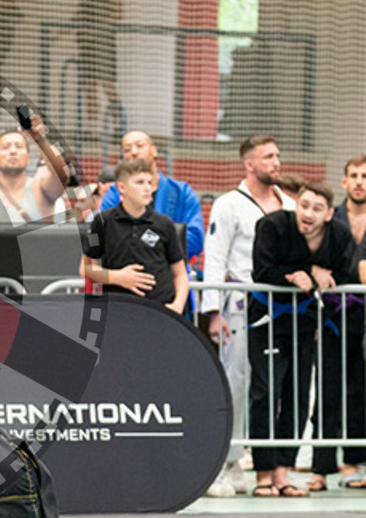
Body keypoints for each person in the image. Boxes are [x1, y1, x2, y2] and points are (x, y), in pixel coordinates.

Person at [201, 135, 294, 498]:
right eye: (268, 156)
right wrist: (213, 311)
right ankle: (221, 461)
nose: (276, 162)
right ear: (249, 164)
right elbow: (215, 259)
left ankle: (263, 464)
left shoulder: (288, 204)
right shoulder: (229, 205)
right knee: (235, 380)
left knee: (272, 388)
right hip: (239, 305)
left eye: (278, 155)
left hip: (282, 310)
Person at [249, 182, 355, 497]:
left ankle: (283, 473)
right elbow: (262, 270)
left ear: (329, 215)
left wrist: (324, 277)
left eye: (316, 209)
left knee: (296, 395)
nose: (307, 214)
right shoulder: (272, 226)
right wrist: (302, 270)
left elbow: (345, 275)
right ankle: (263, 473)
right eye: (304, 205)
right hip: (267, 320)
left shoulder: (339, 236)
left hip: (306, 322)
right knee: (266, 392)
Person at [309, 155, 366, 491]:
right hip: (331, 316)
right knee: (328, 389)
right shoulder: (332, 219)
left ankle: (353, 463)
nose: (360, 181)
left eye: (365, 176)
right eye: (354, 176)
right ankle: (321, 467)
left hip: (363, 318)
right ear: (344, 182)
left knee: (359, 391)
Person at [0, 120, 74, 276]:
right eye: (6, 147)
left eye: (19, 147)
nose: (12, 151)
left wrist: (40, 139)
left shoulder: (42, 190)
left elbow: (62, 174)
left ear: (28, 158)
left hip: (36, 283)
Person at [81, 159, 189, 315]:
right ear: (122, 187)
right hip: (118, 312)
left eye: (149, 182)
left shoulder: (164, 224)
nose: (147, 188)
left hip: (159, 312)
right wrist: (118, 277)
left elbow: (180, 274)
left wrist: (177, 306)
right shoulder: (102, 222)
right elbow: (85, 268)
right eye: (140, 182)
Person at [101, 130, 205, 262]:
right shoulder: (114, 194)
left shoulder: (182, 192)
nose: (133, 152)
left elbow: (195, 239)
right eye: (127, 149)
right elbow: (104, 236)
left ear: (154, 150)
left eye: (140, 145)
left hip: (169, 274)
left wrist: (151, 251)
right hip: (125, 274)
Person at [74, 0, 121, 124]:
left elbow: (117, 14)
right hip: (86, 44)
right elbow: (79, 16)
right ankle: (92, 126)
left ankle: (119, 123)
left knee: (108, 84)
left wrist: (99, 28)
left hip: (104, 43)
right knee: (89, 84)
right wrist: (62, 33)